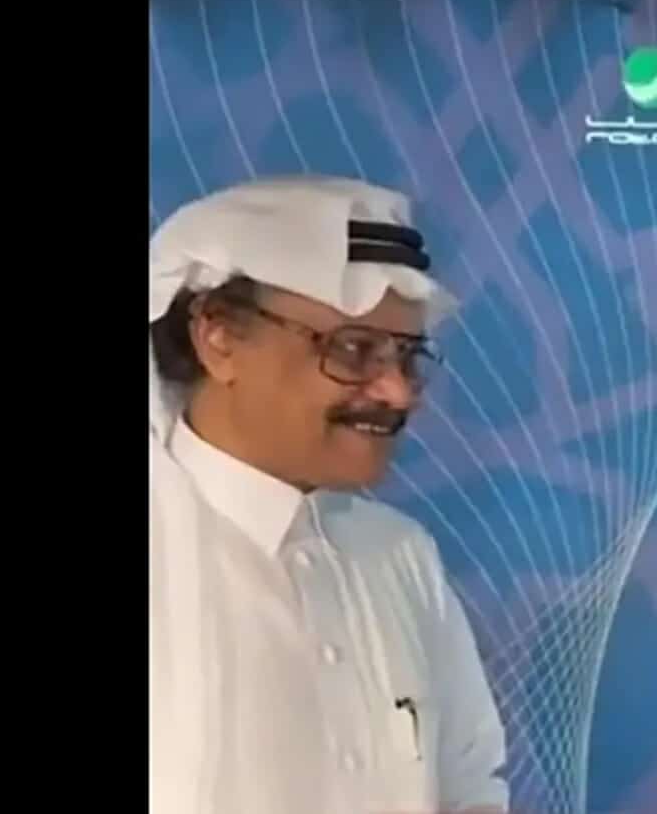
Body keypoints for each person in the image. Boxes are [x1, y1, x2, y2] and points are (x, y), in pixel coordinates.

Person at [148, 176, 508, 814]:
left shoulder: (399, 554)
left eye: (407, 356)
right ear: (219, 339)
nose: (398, 393)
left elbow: (470, 787)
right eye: (354, 350)